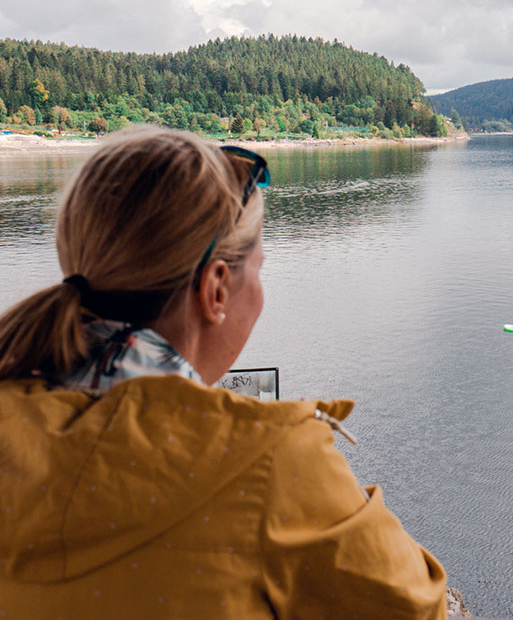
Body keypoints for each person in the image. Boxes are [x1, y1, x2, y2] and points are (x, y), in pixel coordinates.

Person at [0, 126, 447, 619]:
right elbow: (417, 608)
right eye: (257, 269)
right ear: (215, 289)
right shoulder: (271, 461)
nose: (259, 290)